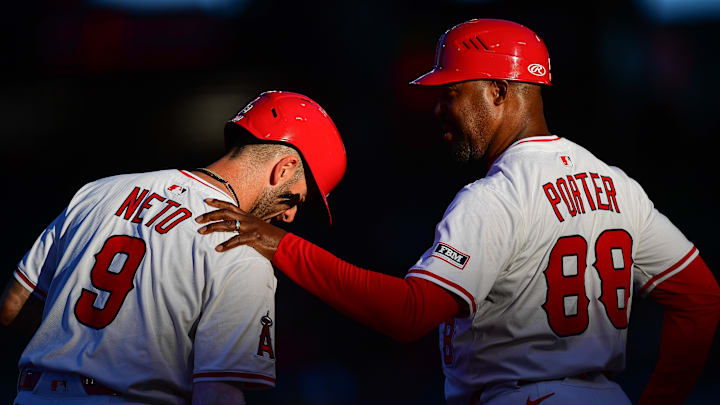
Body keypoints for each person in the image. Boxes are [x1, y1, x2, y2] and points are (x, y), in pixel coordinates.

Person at [195, 19, 720, 405]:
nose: (439, 109)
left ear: (499, 90)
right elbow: (699, 297)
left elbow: (408, 313)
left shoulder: (498, 195)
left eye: (452, 92)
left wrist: (280, 244)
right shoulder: (617, 185)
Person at [0, 90, 347, 404]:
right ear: (284, 168)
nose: (290, 215)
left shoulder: (100, 191)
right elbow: (218, 396)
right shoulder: (240, 251)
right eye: (296, 198)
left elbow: (13, 305)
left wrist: (77, 354)